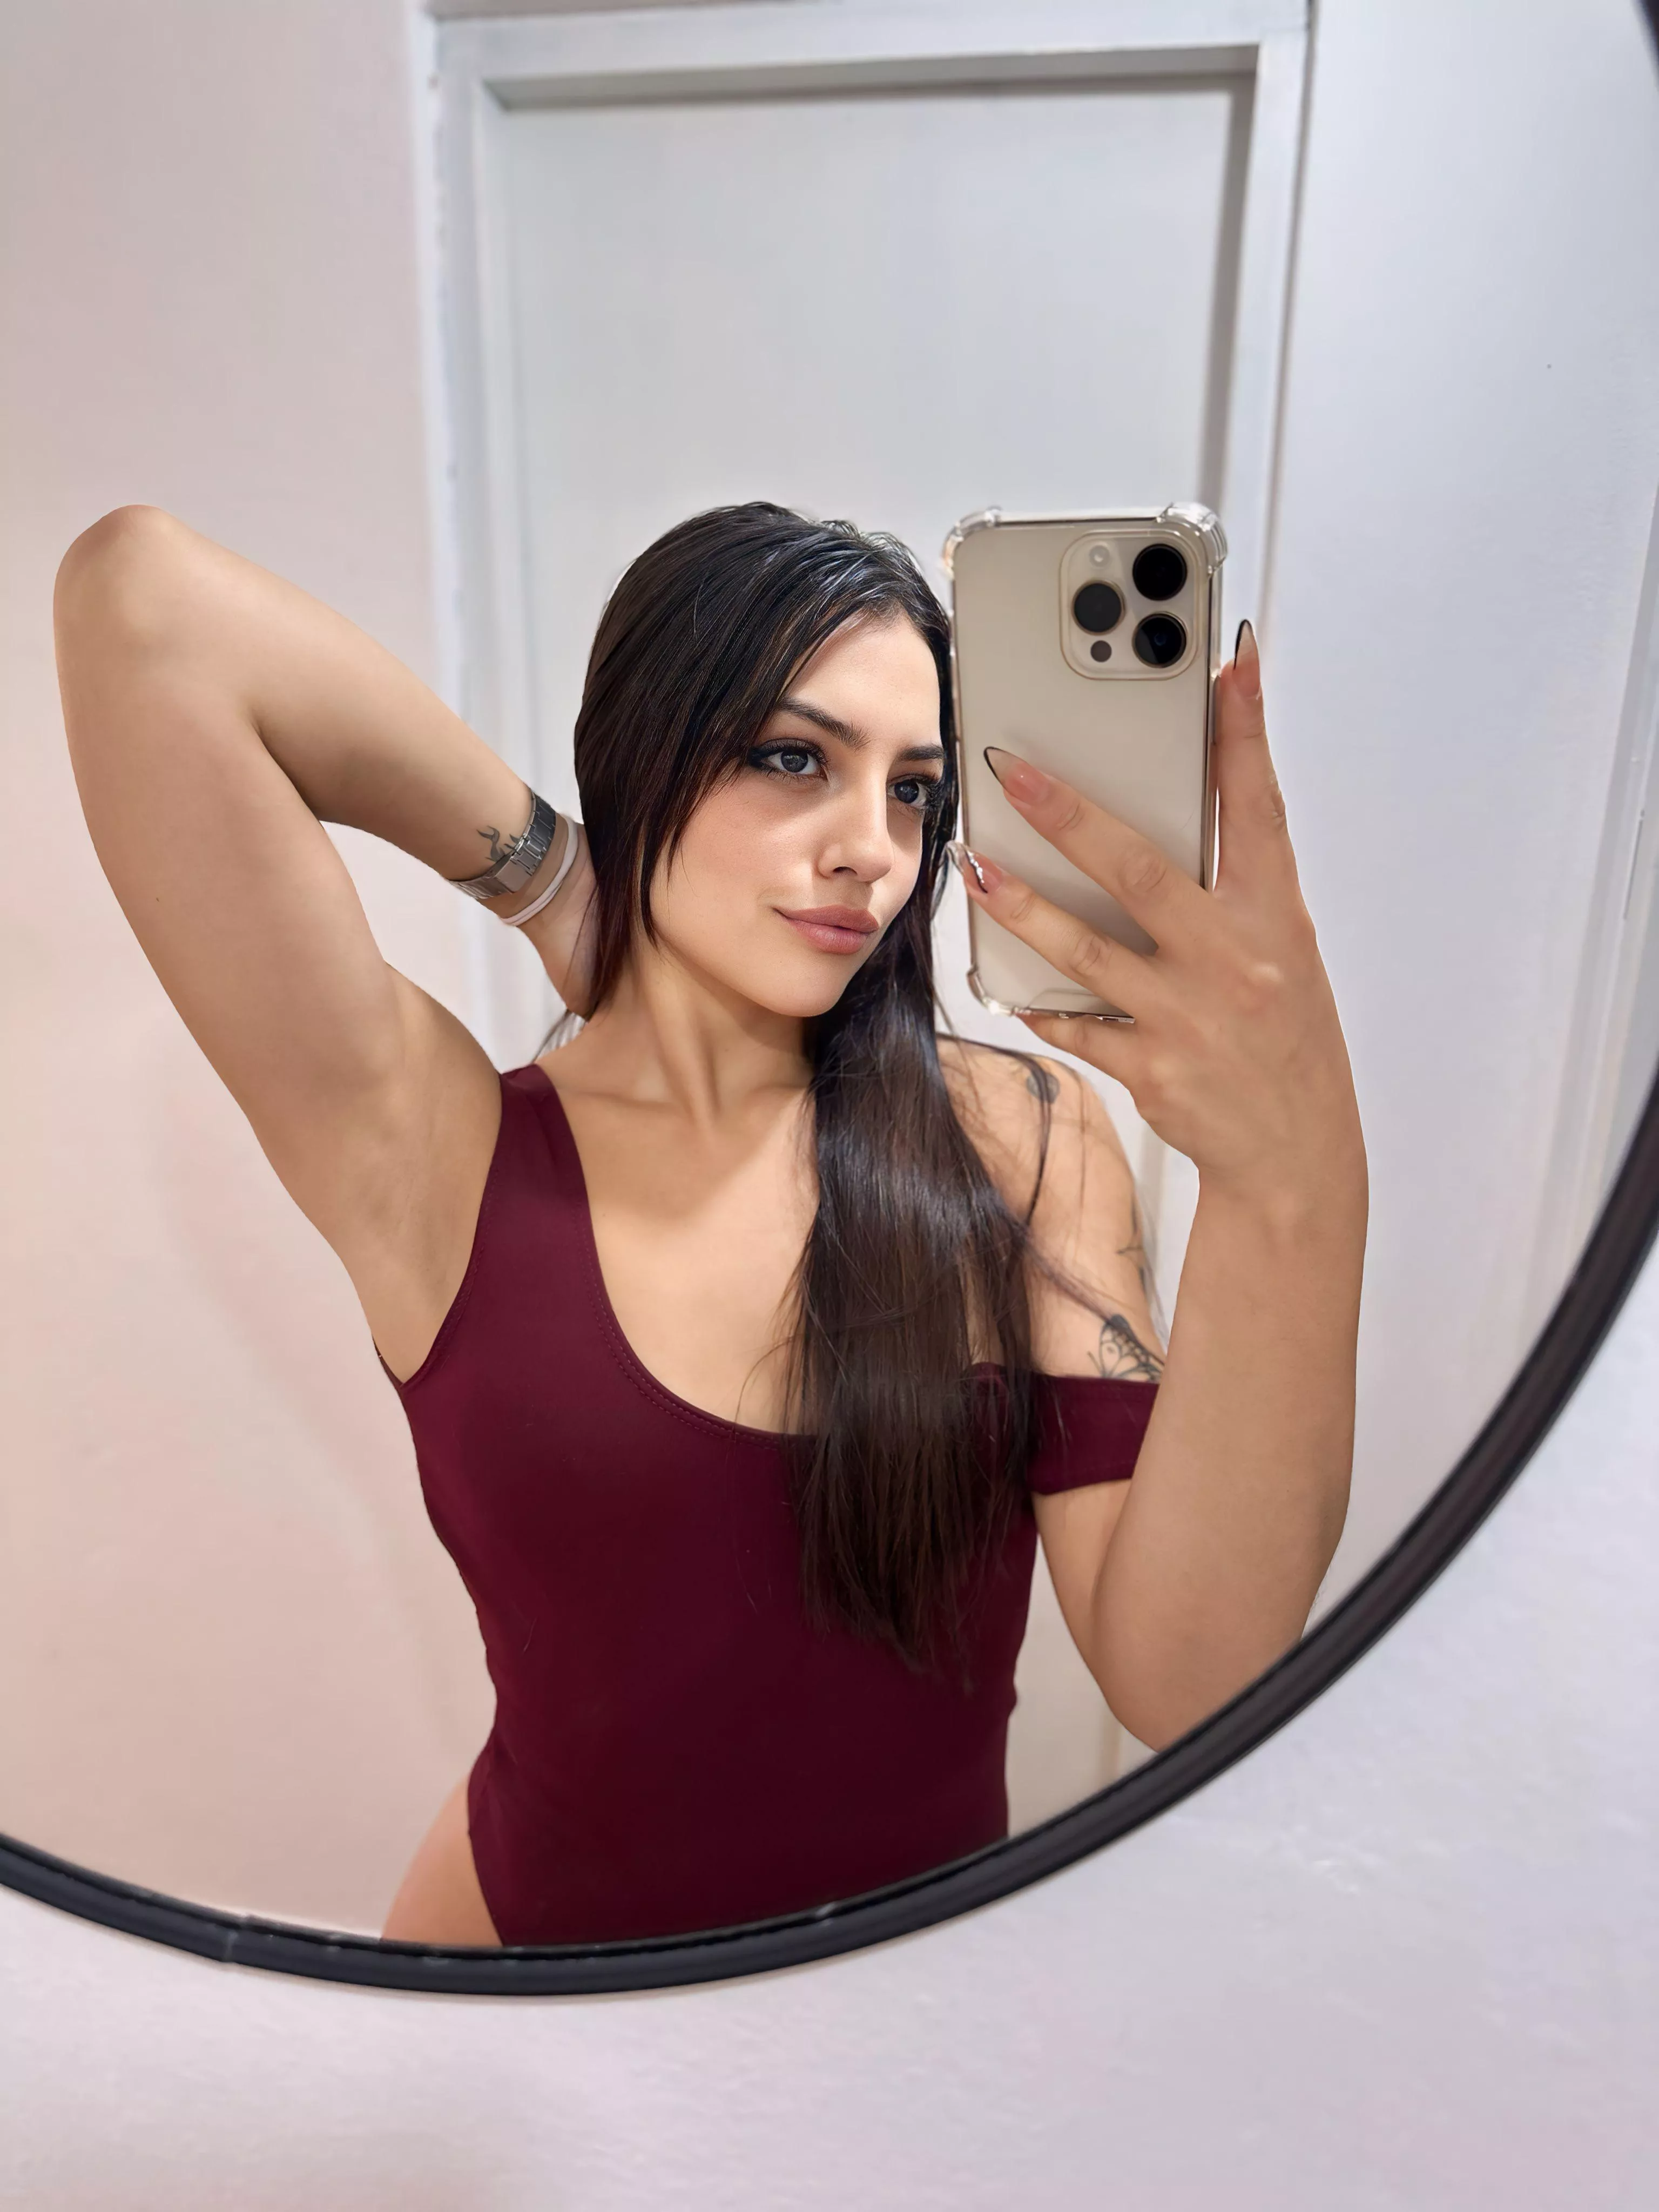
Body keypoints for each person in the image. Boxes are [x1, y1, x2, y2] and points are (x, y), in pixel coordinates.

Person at [53, 500, 1366, 1948]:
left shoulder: (1017, 1141)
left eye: (913, 791)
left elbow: (1190, 1678)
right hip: (525, 2000)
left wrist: (1291, 1185)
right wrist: (561, 884)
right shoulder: (442, 1153)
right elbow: (145, 606)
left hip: (902, 2016)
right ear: (645, 751)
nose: (871, 849)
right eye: (794, 759)